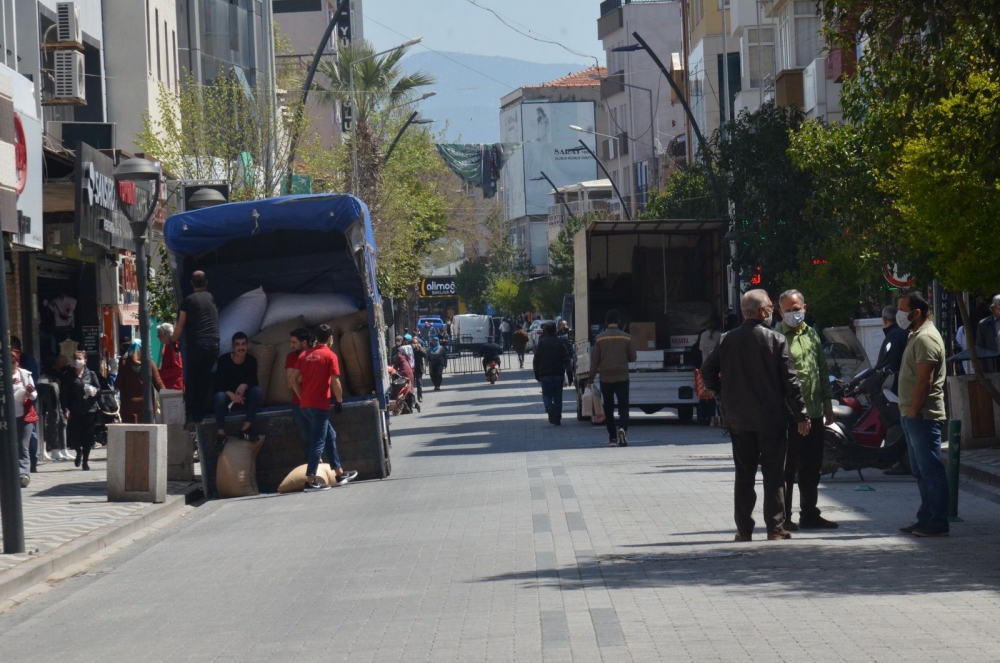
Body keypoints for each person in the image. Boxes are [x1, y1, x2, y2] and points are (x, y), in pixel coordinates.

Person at [701, 289, 809, 542]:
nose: (772, 311)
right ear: (762, 312)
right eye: (770, 307)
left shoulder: (727, 340)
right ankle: (775, 528)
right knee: (774, 476)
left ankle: (744, 530)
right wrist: (801, 415)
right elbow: (791, 382)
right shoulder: (775, 340)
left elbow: (707, 370)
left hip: (738, 420)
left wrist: (721, 393)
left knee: (744, 475)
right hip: (771, 420)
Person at [777, 290, 838, 531]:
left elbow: (821, 372)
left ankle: (809, 514)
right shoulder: (776, 338)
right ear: (780, 312)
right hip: (789, 415)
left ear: (805, 307)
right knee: (787, 468)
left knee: (812, 466)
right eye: (788, 310)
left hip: (813, 411)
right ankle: (784, 517)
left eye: (796, 308)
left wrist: (827, 407)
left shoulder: (812, 334)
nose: (793, 314)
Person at [896, 291, 950, 537]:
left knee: (930, 469)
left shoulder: (926, 338)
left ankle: (938, 522)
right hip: (911, 413)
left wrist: (914, 411)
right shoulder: (915, 335)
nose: (898, 314)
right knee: (920, 470)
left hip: (922, 416)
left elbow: (924, 381)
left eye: (901, 309)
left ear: (916, 313)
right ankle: (925, 518)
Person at [291, 324, 357, 492]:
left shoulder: (304, 355)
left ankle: (339, 473)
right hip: (320, 405)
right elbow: (335, 381)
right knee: (318, 442)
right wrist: (340, 401)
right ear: (330, 338)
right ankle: (310, 480)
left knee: (330, 435)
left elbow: (293, 380)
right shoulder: (330, 355)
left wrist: (301, 397)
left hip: (305, 405)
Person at [172, 271, 220, 426]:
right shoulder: (212, 298)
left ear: (191, 283)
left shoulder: (187, 301)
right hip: (213, 344)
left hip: (197, 344)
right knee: (204, 379)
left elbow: (180, 327)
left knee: (192, 379)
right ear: (207, 282)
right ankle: (202, 415)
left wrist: (171, 341)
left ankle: (192, 416)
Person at [590, 310, 637, 447]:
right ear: (618, 322)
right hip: (622, 376)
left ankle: (612, 438)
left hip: (606, 378)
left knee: (608, 408)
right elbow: (633, 358)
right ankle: (623, 428)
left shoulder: (599, 338)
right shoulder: (626, 337)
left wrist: (590, 378)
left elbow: (595, 361)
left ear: (606, 322)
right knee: (623, 406)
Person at [212, 332, 264, 450]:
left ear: (247, 345)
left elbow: (254, 382)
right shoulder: (224, 360)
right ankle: (221, 433)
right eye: (238, 345)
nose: (241, 348)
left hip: (244, 400)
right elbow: (218, 384)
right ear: (233, 347)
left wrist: (244, 385)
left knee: (258, 392)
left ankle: (245, 429)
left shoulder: (251, 361)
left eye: (243, 344)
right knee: (219, 396)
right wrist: (230, 394)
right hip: (227, 401)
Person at [61, 351, 101, 470]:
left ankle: (85, 461)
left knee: (87, 436)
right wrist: (65, 409)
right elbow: (64, 394)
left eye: (79, 358)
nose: (76, 360)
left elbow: (99, 391)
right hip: (75, 409)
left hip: (89, 409)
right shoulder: (68, 375)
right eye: (74, 358)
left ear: (85, 360)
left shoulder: (91, 374)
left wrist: (94, 391)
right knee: (75, 435)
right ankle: (78, 452)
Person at [117, 339, 166, 425]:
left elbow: (118, 384)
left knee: (130, 434)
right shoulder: (150, 364)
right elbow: (159, 384)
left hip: (129, 406)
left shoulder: (124, 364)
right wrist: (168, 398)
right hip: (147, 406)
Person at [11, 337, 43, 463]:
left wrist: (26, 390)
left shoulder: (27, 363)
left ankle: (30, 463)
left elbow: (32, 383)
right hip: (9, 410)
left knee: (29, 435)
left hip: (25, 405)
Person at [534, 322, 567, 425]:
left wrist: (536, 373)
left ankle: (548, 407)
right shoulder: (561, 342)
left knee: (546, 394)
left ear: (546, 331)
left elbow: (536, 360)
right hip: (558, 373)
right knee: (558, 396)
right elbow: (566, 358)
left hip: (545, 373)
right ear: (555, 330)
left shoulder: (541, 343)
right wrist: (569, 374)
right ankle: (557, 417)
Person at [12, 350, 37, 487]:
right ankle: (10, 473)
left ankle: (24, 474)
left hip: (24, 415)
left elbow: (34, 396)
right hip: (7, 417)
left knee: (23, 446)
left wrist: (30, 392)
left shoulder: (25, 375)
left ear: (18, 362)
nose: (11, 365)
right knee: (7, 446)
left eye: (13, 362)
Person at [286, 328, 313, 456]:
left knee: (323, 436)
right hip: (300, 403)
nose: (291, 345)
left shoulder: (316, 354)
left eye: (294, 342)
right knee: (307, 438)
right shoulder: (291, 357)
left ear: (304, 343)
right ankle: (313, 471)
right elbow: (290, 384)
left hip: (318, 402)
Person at [878, 304, 909, 393]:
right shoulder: (905, 332)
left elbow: (888, 363)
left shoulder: (892, 336)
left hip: (895, 387)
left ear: (884, 320)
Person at [697, 315, 722, 425]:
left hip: (705, 367)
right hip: (718, 367)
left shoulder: (703, 335)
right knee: (716, 394)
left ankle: (705, 417)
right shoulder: (720, 335)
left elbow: (700, 350)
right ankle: (716, 418)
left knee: (704, 394)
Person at [157, 323, 184, 391]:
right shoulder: (168, 346)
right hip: (171, 386)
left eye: (159, 335)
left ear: (165, 335)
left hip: (175, 387)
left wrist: (160, 374)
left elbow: (178, 368)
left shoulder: (173, 346)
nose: (158, 337)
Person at [557, 321, 575, 386]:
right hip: (561, 354)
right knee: (562, 369)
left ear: (566, 324)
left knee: (569, 369)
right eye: (562, 324)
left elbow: (572, 342)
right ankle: (565, 382)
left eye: (564, 324)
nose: (563, 325)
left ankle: (570, 381)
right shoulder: (559, 332)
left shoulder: (570, 332)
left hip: (569, 353)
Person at [411, 337, 427, 402]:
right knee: (411, 384)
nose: (415, 344)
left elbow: (425, 355)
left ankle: (420, 397)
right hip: (411, 369)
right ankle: (412, 399)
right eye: (414, 343)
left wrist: (420, 348)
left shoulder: (419, 349)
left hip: (419, 369)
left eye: (416, 343)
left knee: (419, 383)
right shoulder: (409, 350)